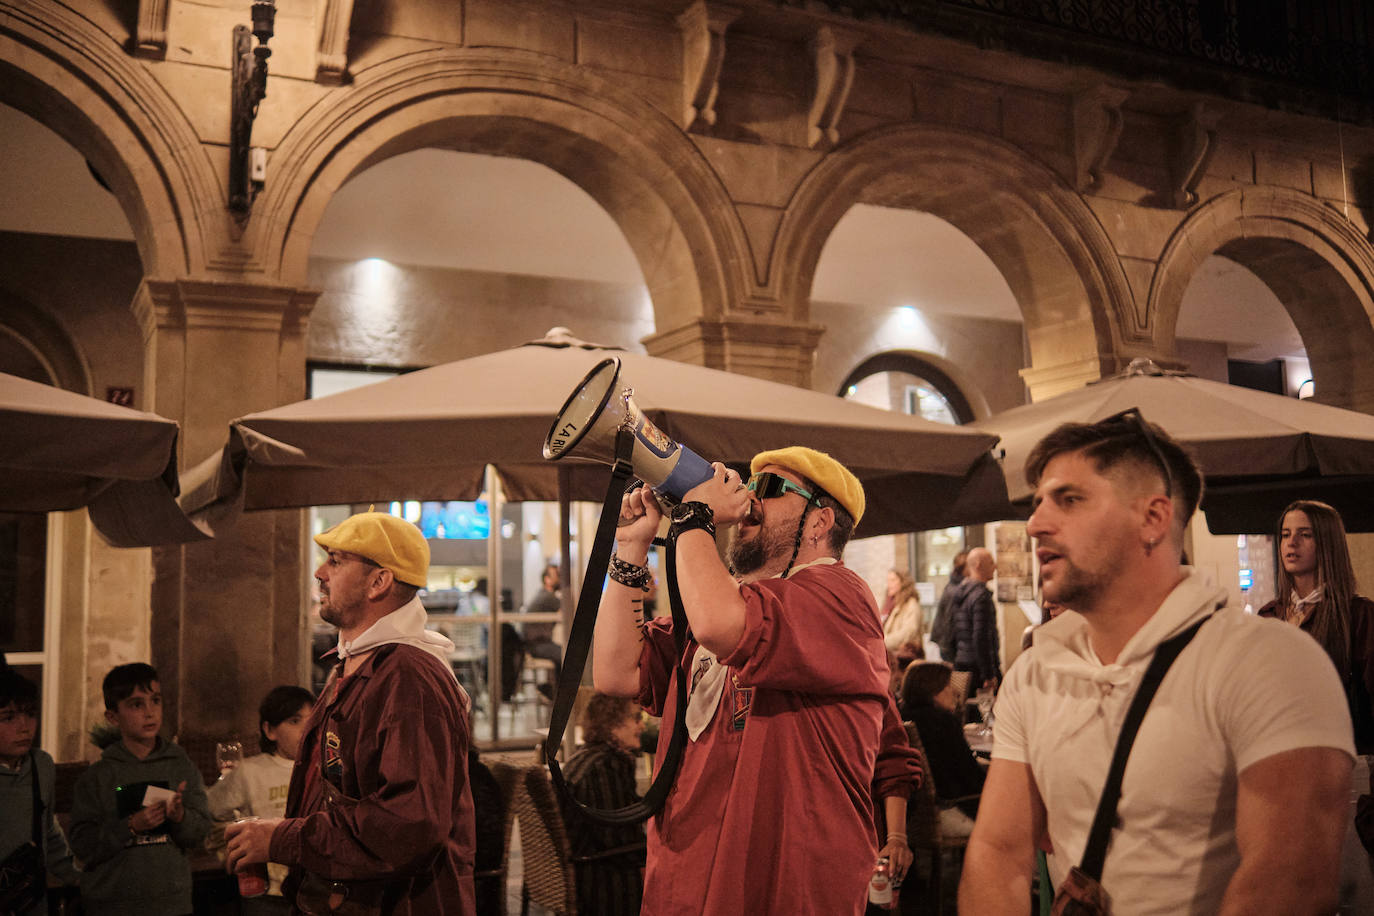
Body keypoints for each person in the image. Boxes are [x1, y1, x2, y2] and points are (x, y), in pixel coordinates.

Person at [962, 411, 1353, 914]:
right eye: (1038, 502)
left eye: (1069, 499)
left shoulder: (1271, 662)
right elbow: (998, 852)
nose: (1036, 524)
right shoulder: (1036, 672)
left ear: (1152, 519)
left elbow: (1287, 883)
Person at [594, 446, 921, 913]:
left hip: (778, 889)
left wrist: (695, 515)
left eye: (768, 487)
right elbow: (616, 672)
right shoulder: (733, 601)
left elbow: (720, 625)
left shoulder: (841, 596)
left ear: (819, 522)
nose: (749, 496)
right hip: (688, 879)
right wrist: (631, 548)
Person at [225, 510, 477, 914]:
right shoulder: (359, 661)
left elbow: (410, 824)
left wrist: (283, 839)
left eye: (337, 561)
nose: (320, 572)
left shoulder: (409, 675)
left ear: (379, 582)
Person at [1256, 499, 1374, 908]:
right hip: (1277, 780)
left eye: (1305, 534)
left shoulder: (1360, 618)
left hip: (1348, 778)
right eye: (1286, 534)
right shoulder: (1269, 618)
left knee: (1351, 896)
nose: (1292, 544)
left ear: (1326, 543)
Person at [69, 663, 211, 916]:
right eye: (136, 704)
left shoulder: (179, 765)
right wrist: (131, 825)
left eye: (155, 700)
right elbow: (83, 846)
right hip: (112, 904)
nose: (150, 712)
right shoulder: (98, 777)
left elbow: (200, 833)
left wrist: (180, 817)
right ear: (113, 717)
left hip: (171, 903)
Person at [206, 685, 315, 914]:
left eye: (312, 719)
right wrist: (229, 851)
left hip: (314, 889)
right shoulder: (251, 771)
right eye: (295, 721)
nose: (306, 729)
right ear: (269, 730)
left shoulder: (320, 769)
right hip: (267, 892)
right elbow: (211, 809)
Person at [0, 668, 79, 916]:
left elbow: (47, 828)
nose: (24, 727)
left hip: (30, 901)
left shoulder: (41, 765)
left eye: (30, 714)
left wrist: (76, 879)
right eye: (8, 717)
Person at [561, 692, 648, 916]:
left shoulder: (582, 758)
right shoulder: (605, 767)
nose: (642, 726)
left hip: (577, 874)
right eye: (635, 718)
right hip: (603, 884)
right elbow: (619, 838)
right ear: (612, 725)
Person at [898, 661, 984, 838]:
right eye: (948, 685)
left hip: (911, 815)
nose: (955, 691)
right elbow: (970, 778)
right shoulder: (942, 722)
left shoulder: (900, 716)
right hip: (950, 809)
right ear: (932, 690)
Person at [945, 547, 1001, 690]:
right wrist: (988, 674)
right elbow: (981, 637)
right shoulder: (981, 596)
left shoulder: (959, 593)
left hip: (961, 663)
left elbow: (950, 630)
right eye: (991, 562)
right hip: (978, 669)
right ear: (978, 565)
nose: (995, 567)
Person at [522, 564, 565, 698]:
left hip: (534, 644)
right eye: (557, 575)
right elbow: (570, 610)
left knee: (563, 652)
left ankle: (552, 689)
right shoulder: (548, 597)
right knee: (566, 654)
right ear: (547, 580)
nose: (560, 578)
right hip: (537, 645)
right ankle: (557, 692)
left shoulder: (543, 595)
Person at [930, 550, 968, 662]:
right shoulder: (957, 590)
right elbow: (949, 622)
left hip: (948, 645)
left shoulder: (955, 585)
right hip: (950, 648)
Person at [881, 569, 924, 655]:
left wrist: (882, 643)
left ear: (903, 582)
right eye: (888, 580)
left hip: (906, 658)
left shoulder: (911, 605)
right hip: (891, 655)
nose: (889, 584)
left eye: (893, 580)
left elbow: (907, 634)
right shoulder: (891, 604)